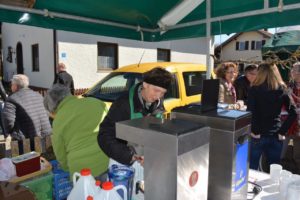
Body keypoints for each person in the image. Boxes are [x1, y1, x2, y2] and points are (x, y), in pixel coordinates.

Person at [98, 67, 172, 166]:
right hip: (124, 162)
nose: (158, 96)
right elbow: (104, 135)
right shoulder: (123, 103)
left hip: (148, 160)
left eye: (162, 93)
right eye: (156, 90)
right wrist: (130, 156)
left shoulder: (158, 104)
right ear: (145, 84)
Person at [44, 84, 109, 176]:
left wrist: (66, 167)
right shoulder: (96, 102)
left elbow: (60, 151)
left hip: (80, 169)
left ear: (53, 107)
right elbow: (110, 127)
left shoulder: (58, 120)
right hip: (105, 159)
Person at [247, 63, 297, 170]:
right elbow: (294, 112)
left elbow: (250, 112)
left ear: (260, 73)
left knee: (252, 169)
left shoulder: (254, 89)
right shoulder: (282, 89)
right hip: (275, 135)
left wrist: (255, 131)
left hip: (260, 135)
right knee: (273, 170)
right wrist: (282, 131)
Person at [1, 74, 51, 144]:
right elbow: (47, 113)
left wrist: (11, 133)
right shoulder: (39, 95)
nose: (11, 86)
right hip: (46, 137)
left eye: (11, 84)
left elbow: (8, 120)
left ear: (15, 86)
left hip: (28, 140)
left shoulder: (12, 99)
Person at [281, 62, 300, 174]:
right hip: (288, 123)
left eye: (294, 70)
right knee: (283, 153)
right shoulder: (289, 86)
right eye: (292, 70)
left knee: (298, 155)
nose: (292, 72)